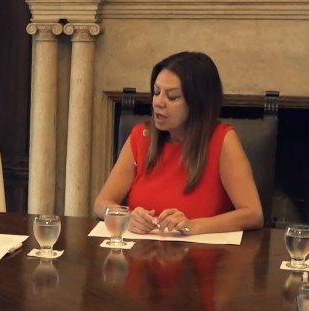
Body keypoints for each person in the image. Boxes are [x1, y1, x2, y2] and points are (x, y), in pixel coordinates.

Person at [93, 51, 263, 235]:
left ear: (198, 103)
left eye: (172, 97)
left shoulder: (222, 140)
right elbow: (101, 203)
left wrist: (194, 225)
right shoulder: (141, 136)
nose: (158, 102)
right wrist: (126, 216)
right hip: (141, 256)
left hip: (203, 258)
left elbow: (253, 214)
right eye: (156, 92)